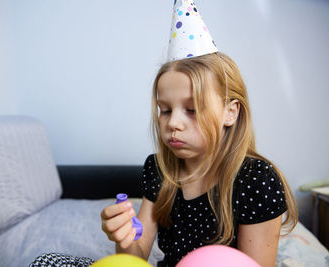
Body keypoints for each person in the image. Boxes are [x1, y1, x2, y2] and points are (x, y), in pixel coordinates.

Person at [100, 52, 298, 267]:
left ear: (230, 112)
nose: (173, 122)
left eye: (192, 110)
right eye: (165, 110)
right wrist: (124, 237)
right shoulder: (158, 168)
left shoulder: (257, 179)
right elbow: (135, 260)